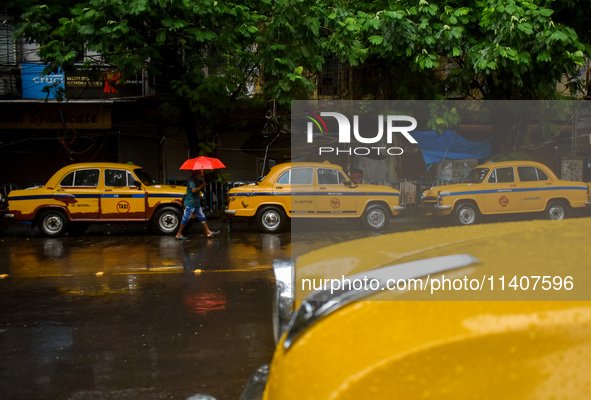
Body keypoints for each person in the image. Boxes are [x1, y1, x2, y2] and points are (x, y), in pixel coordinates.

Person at [176, 170, 219, 240]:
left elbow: (197, 189)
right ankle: (178, 234)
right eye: (197, 171)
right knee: (186, 218)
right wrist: (202, 185)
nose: (198, 171)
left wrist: (202, 185)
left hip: (195, 203)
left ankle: (208, 232)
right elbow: (193, 190)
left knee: (202, 217)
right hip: (191, 203)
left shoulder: (195, 179)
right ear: (193, 171)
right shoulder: (192, 180)